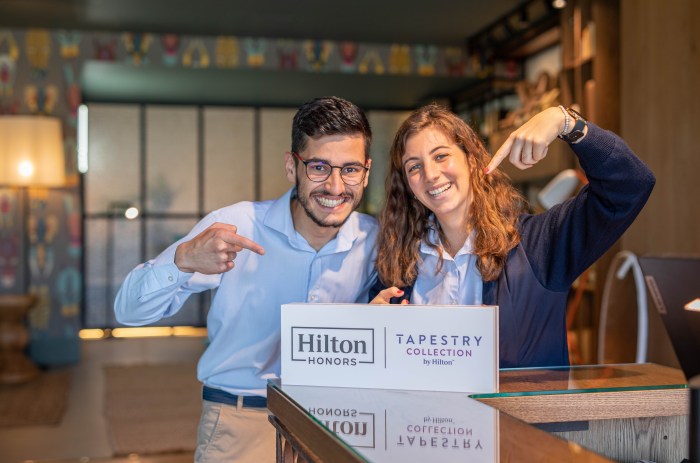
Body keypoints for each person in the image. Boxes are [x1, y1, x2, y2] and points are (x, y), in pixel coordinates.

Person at [114, 96, 378, 463]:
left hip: (338, 425)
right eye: (319, 167)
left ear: (366, 172)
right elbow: (128, 311)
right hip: (242, 421)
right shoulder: (235, 226)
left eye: (349, 169)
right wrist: (184, 259)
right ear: (292, 166)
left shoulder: (375, 239)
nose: (335, 187)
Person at [371, 104, 655, 369]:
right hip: (423, 410)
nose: (430, 174)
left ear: (472, 160)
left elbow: (631, 185)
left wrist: (564, 121)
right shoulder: (398, 264)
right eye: (414, 166)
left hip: (519, 409)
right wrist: (372, 329)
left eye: (441, 156)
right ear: (407, 185)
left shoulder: (539, 244)